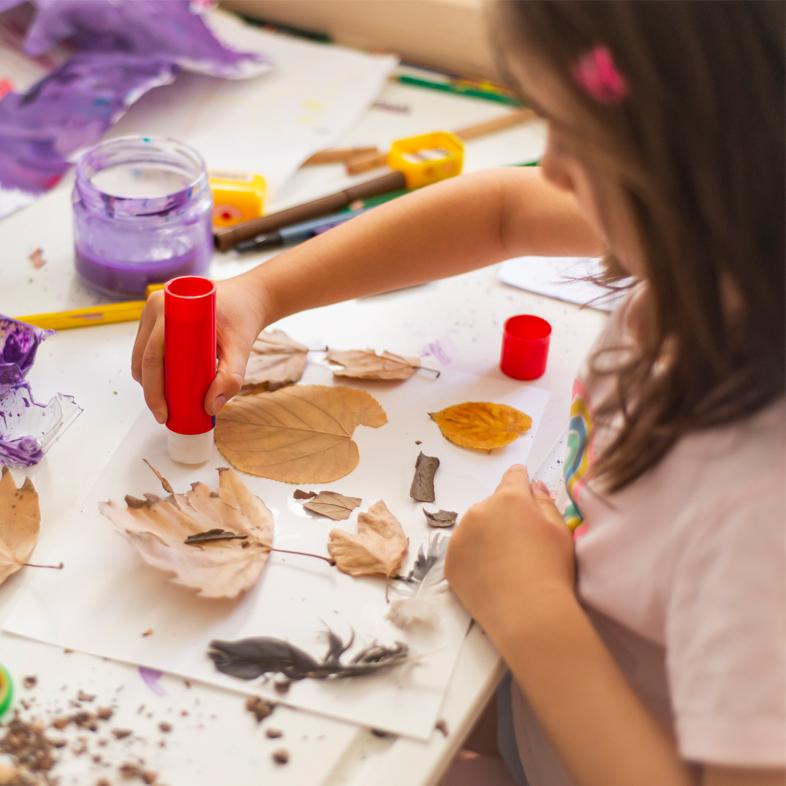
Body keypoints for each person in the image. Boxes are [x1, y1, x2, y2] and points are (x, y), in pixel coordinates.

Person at [132, 3, 785, 785]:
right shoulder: (720, 246)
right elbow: (502, 211)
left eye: (577, 143)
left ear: (703, 162)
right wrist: (261, 293)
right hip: (522, 709)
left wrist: (531, 610)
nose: (550, 172)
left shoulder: (760, 507)